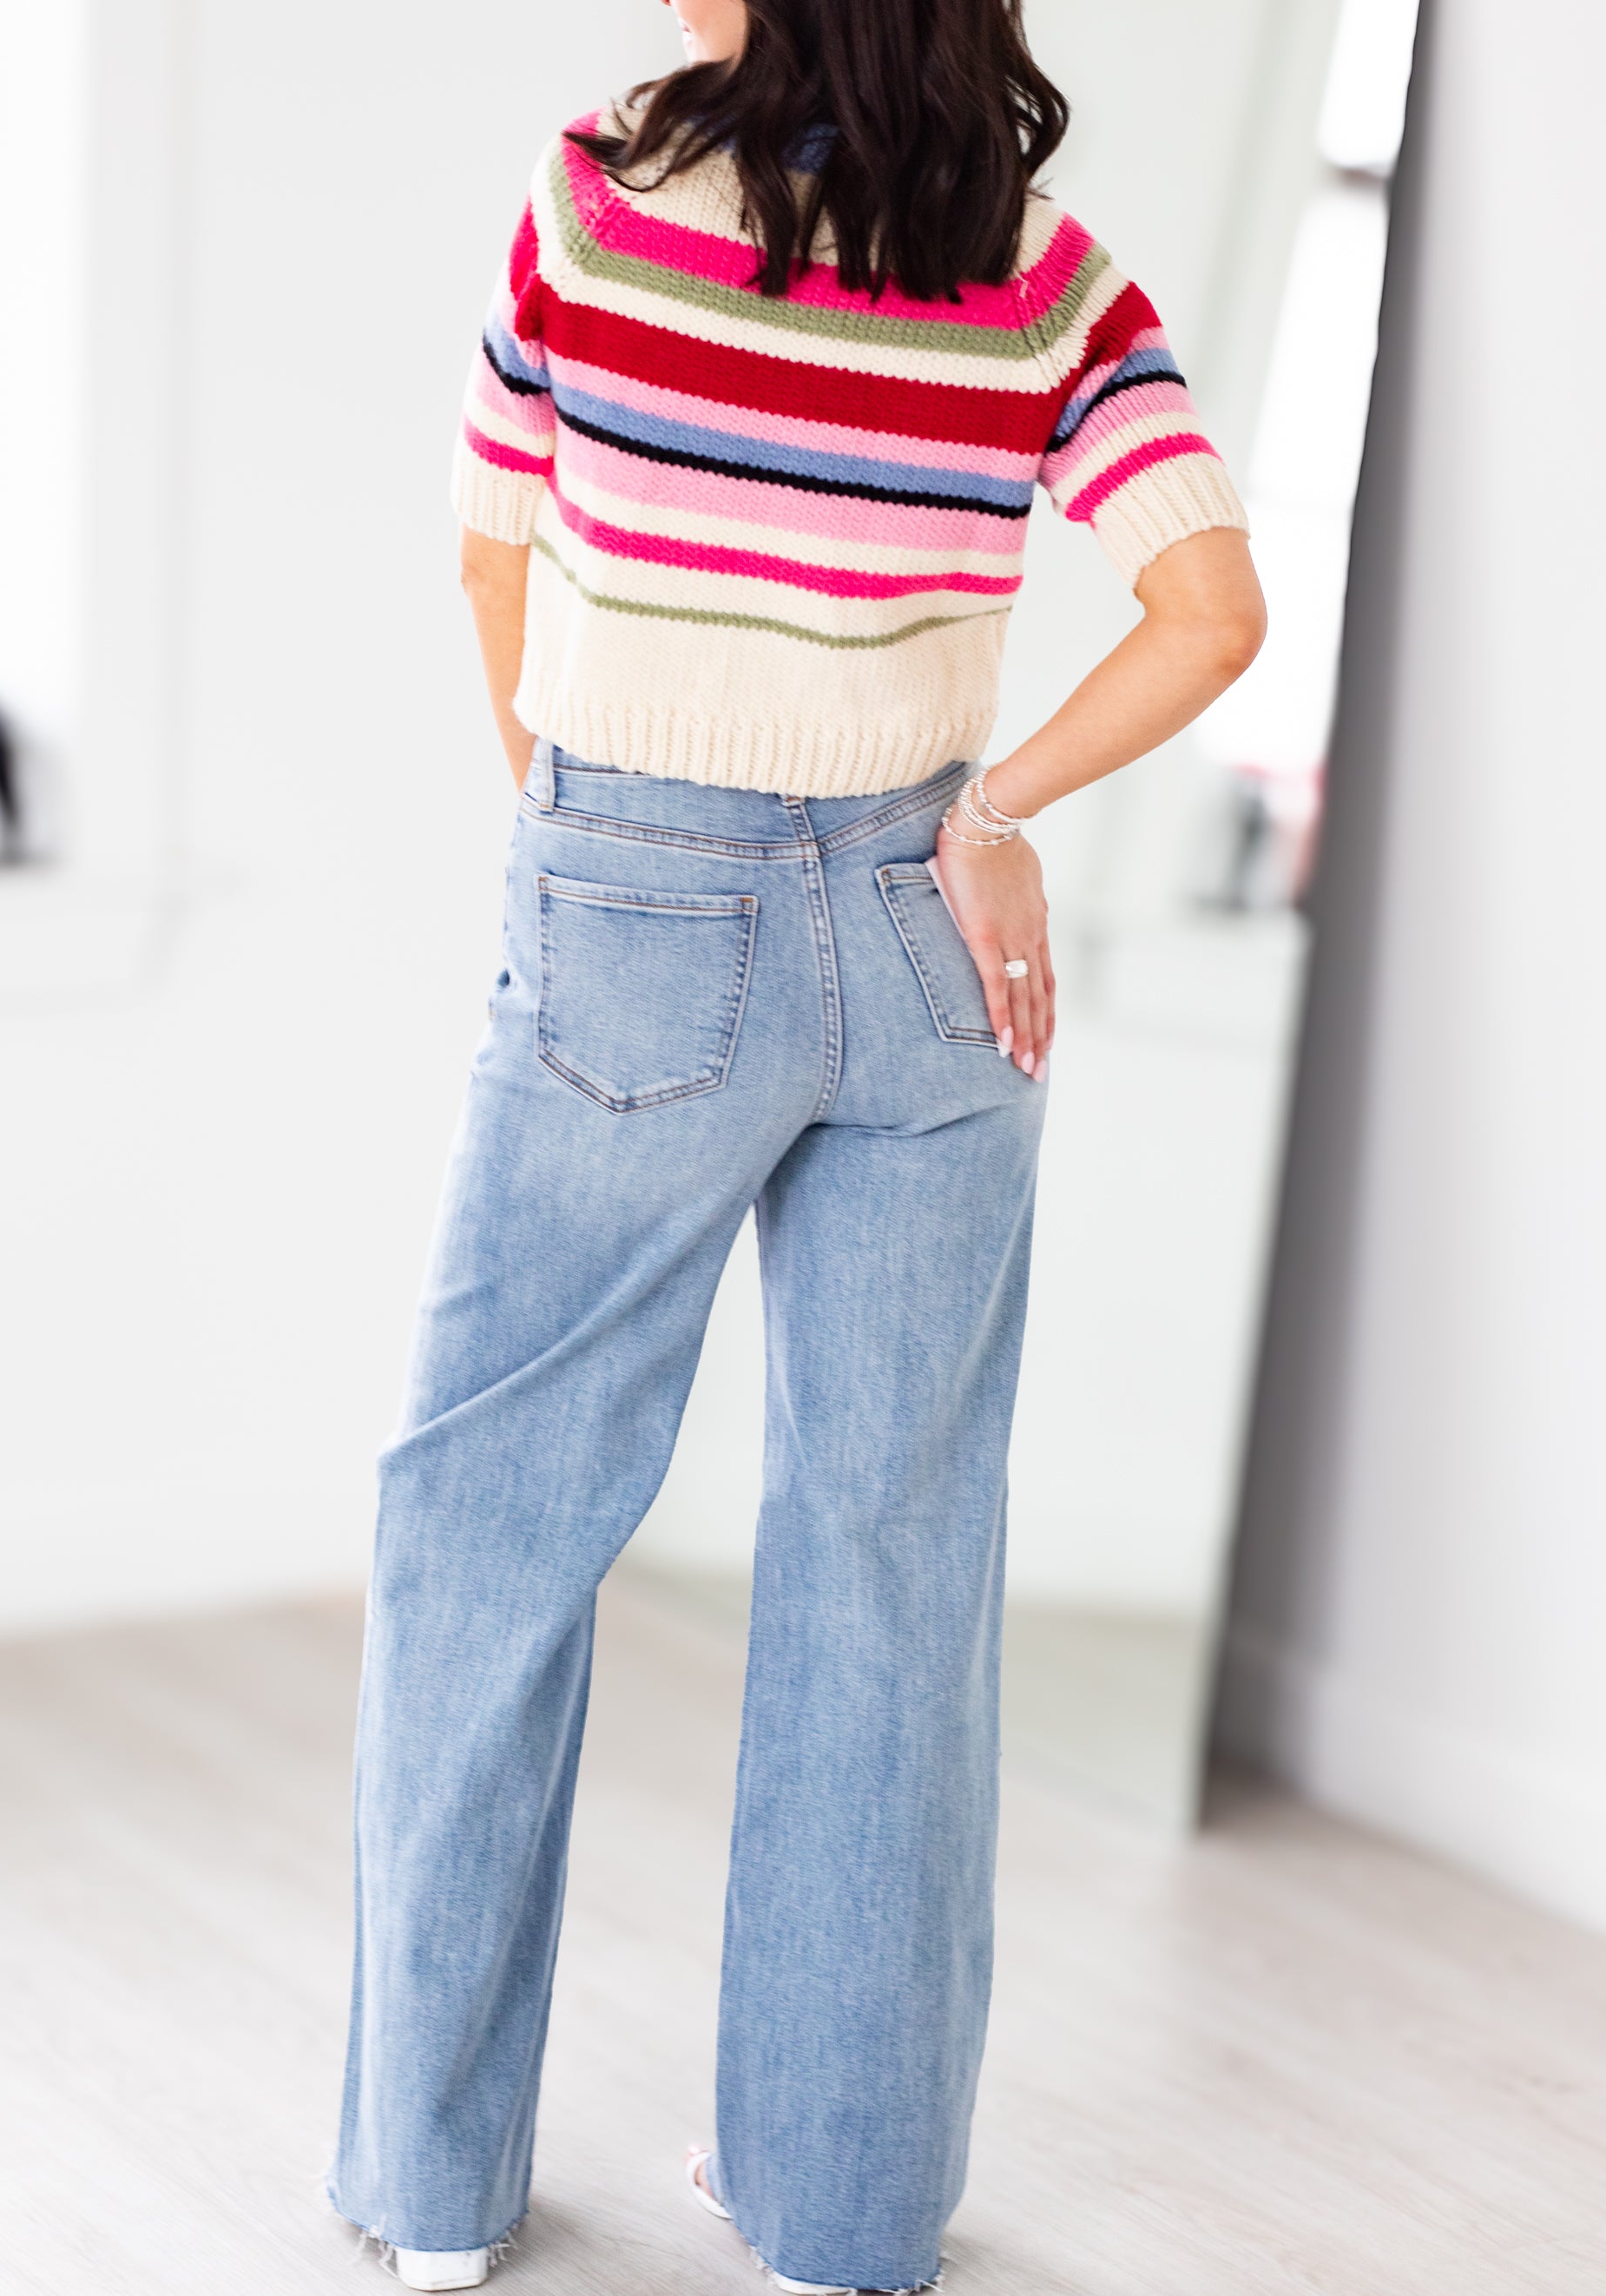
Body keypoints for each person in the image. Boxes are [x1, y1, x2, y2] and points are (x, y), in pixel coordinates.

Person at [326, 0, 1265, 2287]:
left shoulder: (602, 196)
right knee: (892, 1561)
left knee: (486, 1531)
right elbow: (1212, 611)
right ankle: (844, 2214)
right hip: (934, 936)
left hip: (634, 896)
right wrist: (993, 811)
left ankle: (430, 2197)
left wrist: (592, 856)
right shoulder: (1036, 264)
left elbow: (490, 562)